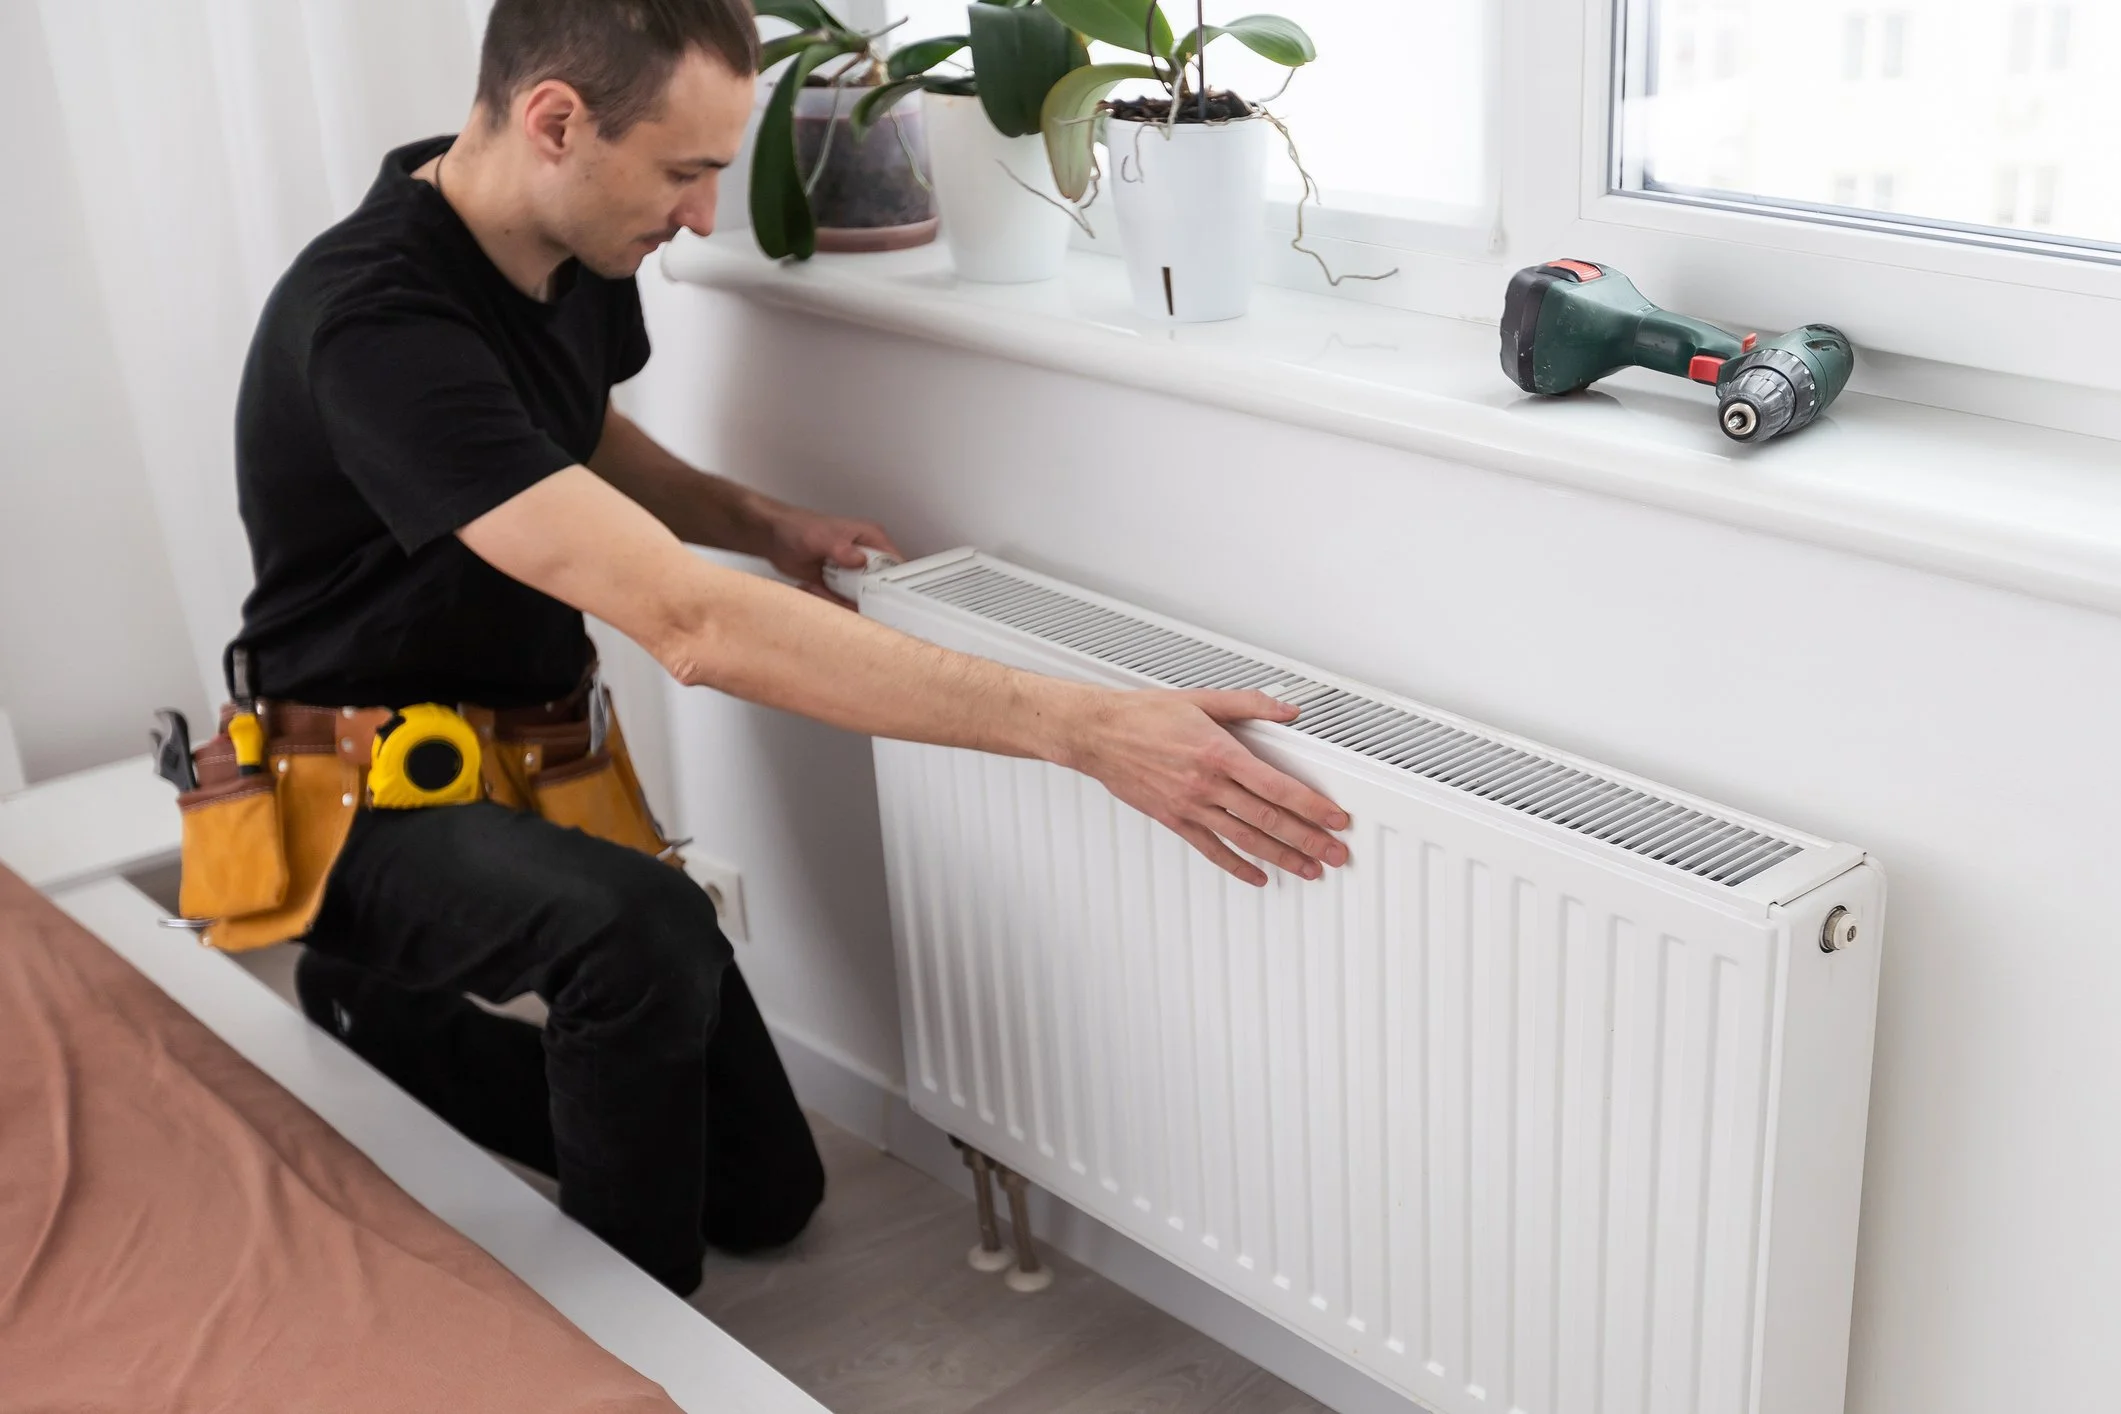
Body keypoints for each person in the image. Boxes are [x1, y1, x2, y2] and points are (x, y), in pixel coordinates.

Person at [228, 0, 1350, 1297]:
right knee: (638, 934)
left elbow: (569, 435)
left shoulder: (553, 241)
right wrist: (1088, 727)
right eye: (686, 172)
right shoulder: (374, 323)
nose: (703, 216)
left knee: (770, 1192)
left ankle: (383, 1009)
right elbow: (691, 628)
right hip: (355, 786)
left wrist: (758, 519)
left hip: (530, 752)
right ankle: (627, 1355)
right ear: (555, 123)